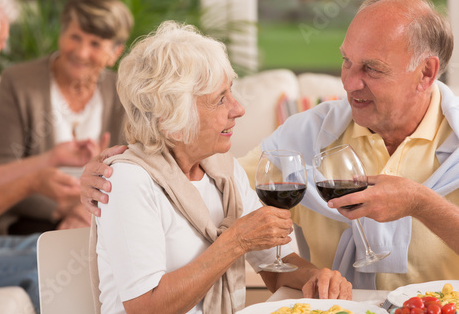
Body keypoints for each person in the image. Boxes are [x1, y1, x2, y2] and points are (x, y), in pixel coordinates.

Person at [81, 0, 459, 294]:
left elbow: (262, 247)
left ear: (425, 73)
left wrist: (420, 203)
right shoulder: (306, 137)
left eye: (371, 69)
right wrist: (99, 177)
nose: (347, 82)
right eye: (346, 61)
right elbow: (200, 174)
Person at [92, 21, 351, 314]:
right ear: (171, 118)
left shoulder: (222, 171)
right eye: (220, 100)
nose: (238, 109)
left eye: (231, 92)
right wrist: (236, 241)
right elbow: (146, 306)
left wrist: (315, 277)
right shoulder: (129, 181)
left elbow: (274, 265)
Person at [0, 0, 86, 312]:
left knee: (72, 248)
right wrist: (31, 183)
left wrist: (50, 160)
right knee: (44, 271)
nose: (5, 45)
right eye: (1, 39)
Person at [0, 0, 134, 233]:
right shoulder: (17, 84)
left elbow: (135, 172)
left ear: (115, 52)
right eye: (75, 37)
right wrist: (66, 206)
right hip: (25, 221)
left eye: (95, 44)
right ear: (61, 34)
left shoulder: (124, 93)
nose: (81, 53)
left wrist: (87, 208)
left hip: (98, 218)